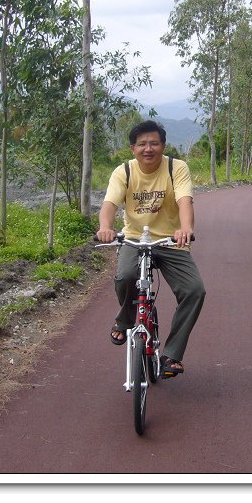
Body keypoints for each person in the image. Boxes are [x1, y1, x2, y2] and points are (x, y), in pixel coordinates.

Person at [96, 120, 206, 379]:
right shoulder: (123, 171)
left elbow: (184, 201)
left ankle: (172, 354)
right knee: (125, 276)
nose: (149, 148)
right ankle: (124, 320)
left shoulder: (175, 168)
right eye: (142, 144)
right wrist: (105, 228)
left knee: (194, 290)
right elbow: (110, 205)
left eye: (154, 143)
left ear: (164, 146)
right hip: (135, 239)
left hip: (170, 240)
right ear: (133, 148)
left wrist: (185, 229)